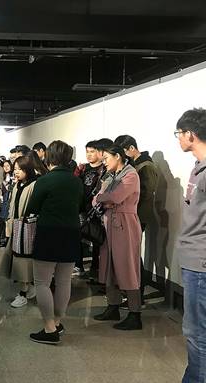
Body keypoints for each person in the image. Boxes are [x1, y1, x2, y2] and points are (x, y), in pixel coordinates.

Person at [25, 141, 83, 344]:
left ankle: (49, 328)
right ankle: (57, 322)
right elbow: (81, 206)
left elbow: (33, 208)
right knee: (64, 282)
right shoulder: (76, 181)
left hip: (48, 234)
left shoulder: (45, 180)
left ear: (49, 156)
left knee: (42, 282)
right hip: (72, 234)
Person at [92, 144, 142, 331]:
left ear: (118, 156)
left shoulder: (131, 175)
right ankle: (112, 306)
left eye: (106, 158)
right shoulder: (110, 176)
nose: (104, 162)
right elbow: (96, 198)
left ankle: (135, 313)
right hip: (109, 224)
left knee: (127, 267)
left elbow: (116, 196)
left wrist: (104, 199)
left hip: (125, 224)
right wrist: (104, 199)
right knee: (109, 266)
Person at [175, 108, 206, 383]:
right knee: (196, 331)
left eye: (179, 133)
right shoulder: (198, 167)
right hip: (195, 261)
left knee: (198, 333)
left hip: (201, 263)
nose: (178, 138)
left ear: (190, 134)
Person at [115, 134, 159, 305]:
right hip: (132, 214)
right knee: (130, 255)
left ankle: (137, 296)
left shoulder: (145, 166)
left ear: (132, 148)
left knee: (132, 255)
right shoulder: (136, 165)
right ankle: (132, 294)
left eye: (123, 152)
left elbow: (145, 194)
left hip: (137, 215)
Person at [4, 156, 39, 308]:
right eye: (15, 169)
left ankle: (23, 293)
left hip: (27, 229)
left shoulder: (34, 185)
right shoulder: (17, 184)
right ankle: (28, 288)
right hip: (16, 227)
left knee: (23, 261)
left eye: (20, 169)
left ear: (28, 169)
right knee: (17, 260)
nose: (16, 172)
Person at [74, 140, 105, 279]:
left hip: (96, 209)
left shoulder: (103, 169)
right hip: (81, 208)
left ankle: (95, 267)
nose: (89, 154)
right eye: (87, 151)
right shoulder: (83, 169)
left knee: (97, 238)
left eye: (92, 151)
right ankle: (78, 265)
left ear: (99, 152)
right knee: (78, 237)